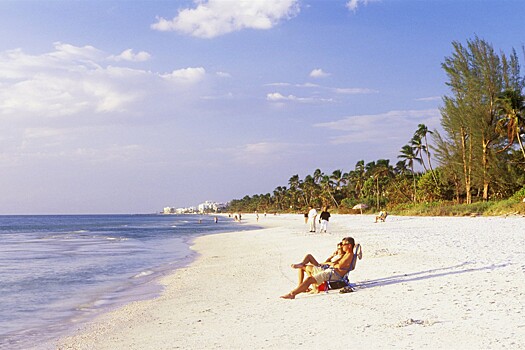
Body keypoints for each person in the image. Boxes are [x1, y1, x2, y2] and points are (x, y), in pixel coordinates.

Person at [281, 237, 356, 299]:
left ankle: (293, 294)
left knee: (309, 279)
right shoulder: (347, 254)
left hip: (333, 274)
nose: (342, 246)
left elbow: (339, 266)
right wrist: (333, 263)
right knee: (308, 275)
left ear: (349, 246)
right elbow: (337, 264)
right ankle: (296, 291)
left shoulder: (349, 255)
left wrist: (333, 264)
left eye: (343, 244)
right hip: (331, 271)